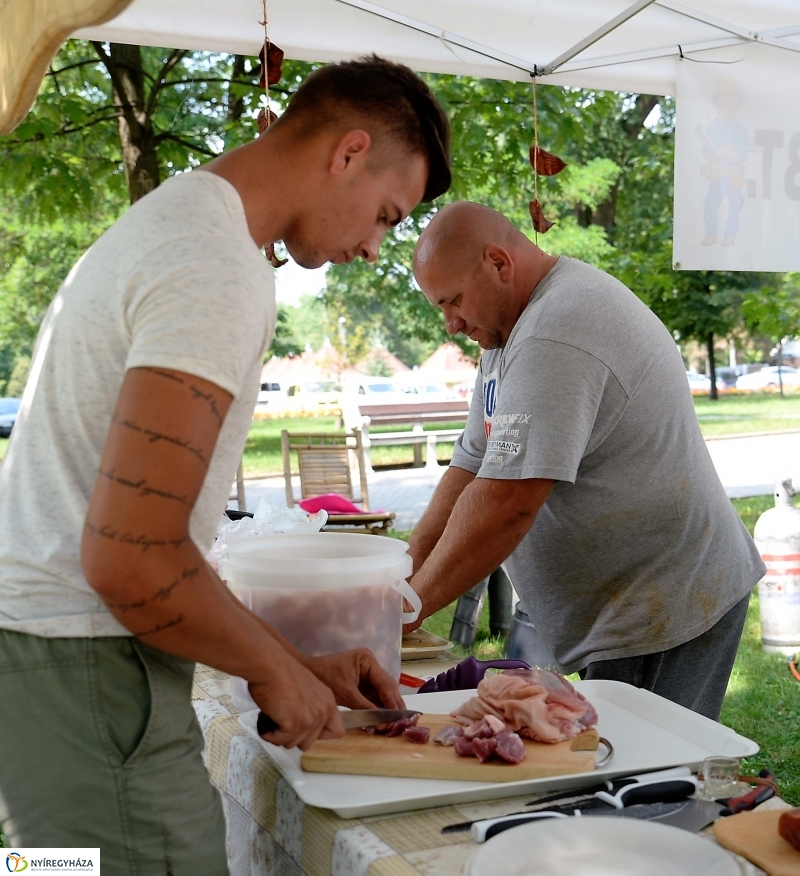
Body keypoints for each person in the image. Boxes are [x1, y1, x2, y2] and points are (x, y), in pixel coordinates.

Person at [0, 56, 450, 872]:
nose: (373, 248)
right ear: (348, 152)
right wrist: (276, 670)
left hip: (53, 674)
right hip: (88, 677)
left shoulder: (178, 221)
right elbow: (131, 558)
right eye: (385, 215)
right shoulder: (216, 263)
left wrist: (289, 660)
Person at [406, 201, 764, 721]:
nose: (449, 324)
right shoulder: (504, 334)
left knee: (643, 783)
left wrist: (409, 609)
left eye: (453, 301)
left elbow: (507, 502)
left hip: (667, 604)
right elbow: (471, 465)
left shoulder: (559, 326)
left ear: (498, 264)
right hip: (626, 607)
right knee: (611, 774)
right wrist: (405, 576)